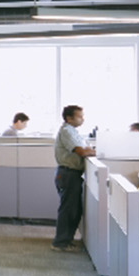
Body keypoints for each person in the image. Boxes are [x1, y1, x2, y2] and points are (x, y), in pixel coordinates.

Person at [52, 105, 95, 251]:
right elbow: (81, 151)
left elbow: (84, 149)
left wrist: (90, 151)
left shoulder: (73, 131)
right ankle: (60, 243)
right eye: (80, 116)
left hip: (72, 174)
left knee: (74, 210)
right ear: (69, 118)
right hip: (67, 173)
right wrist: (96, 152)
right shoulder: (67, 131)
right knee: (68, 209)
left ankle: (65, 240)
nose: (82, 119)